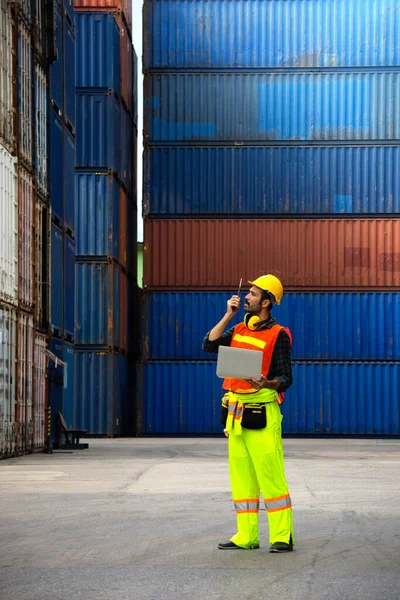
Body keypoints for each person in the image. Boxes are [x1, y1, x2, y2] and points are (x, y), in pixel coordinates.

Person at [202, 274, 294, 553]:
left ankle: (282, 535)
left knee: (270, 476)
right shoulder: (240, 329)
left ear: (266, 302)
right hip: (236, 415)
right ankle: (246, 536)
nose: (246, 297)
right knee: (242, 478)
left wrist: (266, 383)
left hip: (263, 412)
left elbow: (285, 377)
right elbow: (209, 345)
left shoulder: (278, 334)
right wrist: (228, 315)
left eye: (252, 294)